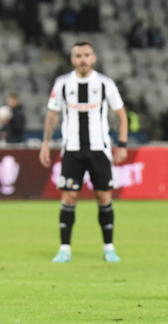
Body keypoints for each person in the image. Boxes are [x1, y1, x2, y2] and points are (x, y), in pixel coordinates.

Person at [39, 41, 128, 264]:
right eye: (78, 55)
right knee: (69, 196)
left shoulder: (105, 83)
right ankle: (64, 249)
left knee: (103, 196)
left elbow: (122, 115)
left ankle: (109, 248)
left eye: (87, 55)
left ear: (94, 58)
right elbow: (52, 116)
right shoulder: (62, 84)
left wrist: (123, 145)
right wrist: (45, 144)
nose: (83, 60)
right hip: (72, 149)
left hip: (99, 148)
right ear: (72, 59)